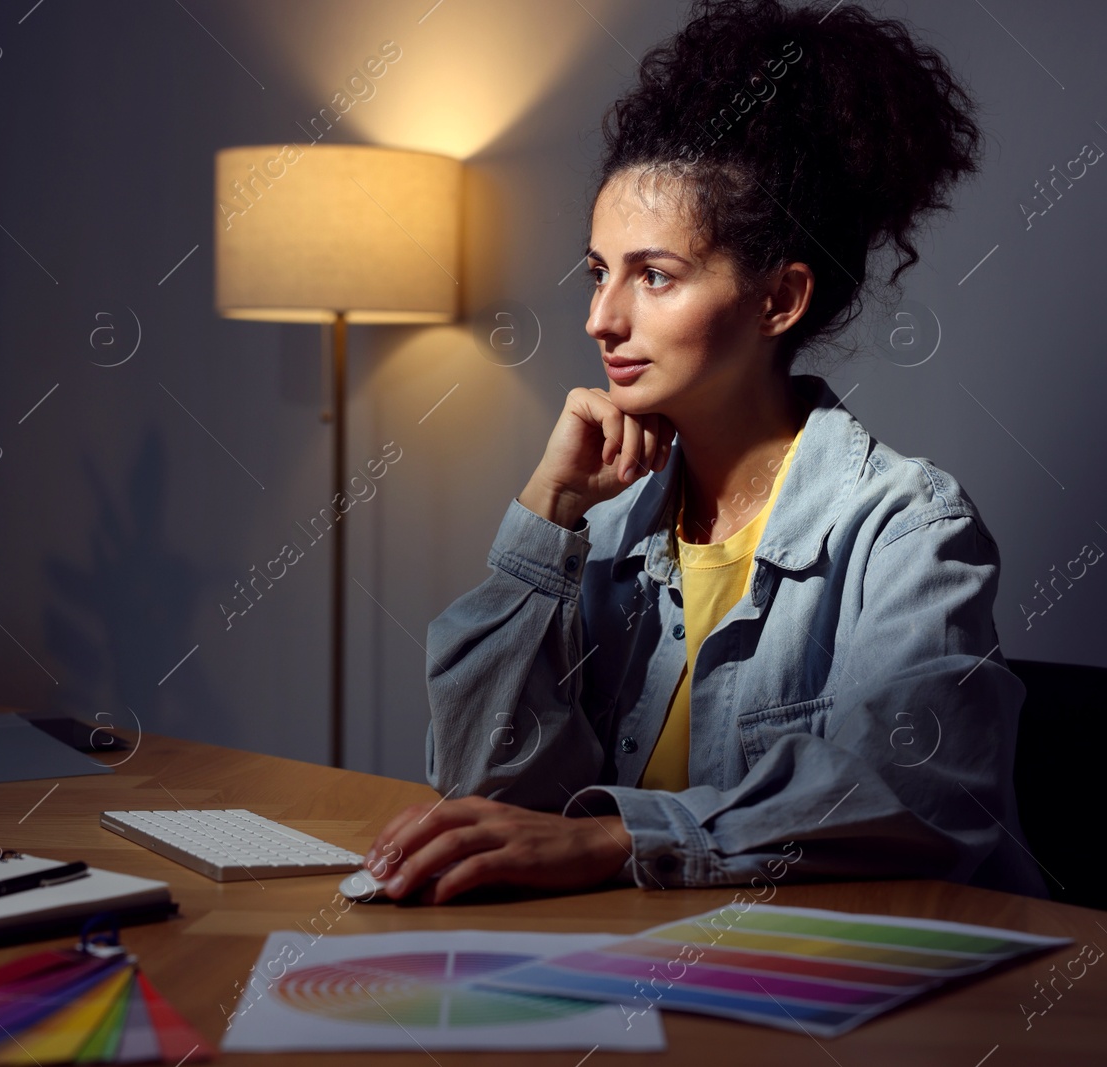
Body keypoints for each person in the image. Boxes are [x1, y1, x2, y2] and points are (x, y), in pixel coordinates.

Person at [365, 0, 1047, 904]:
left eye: (654, 275)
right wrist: (544, 513)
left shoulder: (908, 526)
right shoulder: (603, 525)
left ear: (780, 300)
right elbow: (482, 782)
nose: (602, 318)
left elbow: (913, 797)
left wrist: (611, 841)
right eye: (598, 272)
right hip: (648, 971)